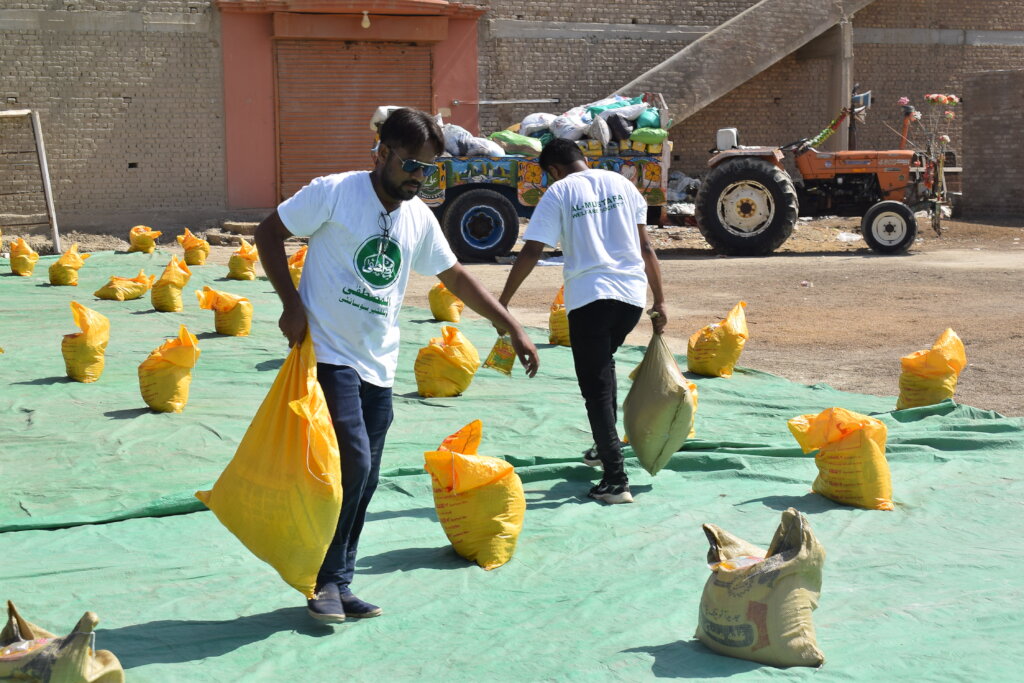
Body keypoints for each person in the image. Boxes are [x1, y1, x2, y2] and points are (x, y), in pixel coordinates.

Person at [255, 108, 539, 624]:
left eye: (428, 170)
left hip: (379, 365)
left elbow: (455, 276)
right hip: (328, 354)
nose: (418, 177)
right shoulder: (334, 193)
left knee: (366, 479)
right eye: (411, 165)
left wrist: (509, 324)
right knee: (354, 464)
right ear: (382, 153)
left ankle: (340, 581)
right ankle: (323, 580)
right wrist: (291, 304)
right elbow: (268, 234)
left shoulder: (418, 218)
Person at [496, 138, 667, 505]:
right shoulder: (623, 184)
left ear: (553, 170)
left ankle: (615, 480)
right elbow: (646, 247)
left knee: (596, 389)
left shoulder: (559, 192)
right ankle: (604, 447)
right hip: (631, 299)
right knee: (604, 368)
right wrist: (660, 299)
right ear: (583, 158)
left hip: (590, 300)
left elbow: (532, 249)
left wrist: (503, 302)